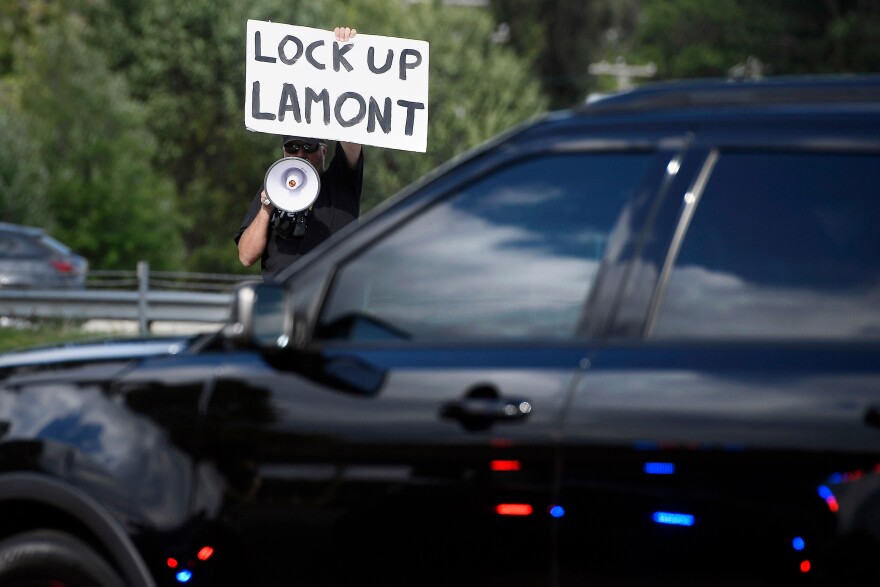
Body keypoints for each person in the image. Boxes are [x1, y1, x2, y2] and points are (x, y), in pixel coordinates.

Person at [236, 27, 364, 279]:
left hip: (329, 301)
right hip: (280, 302)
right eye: (292, 148)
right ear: (283, 152)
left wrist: (345, 53)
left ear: (324, 151)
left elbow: (352, 132)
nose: (300, 154)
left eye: (309, 148)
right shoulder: (272, 188)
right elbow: (246, 256)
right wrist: (266, 208)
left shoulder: (340, 182)